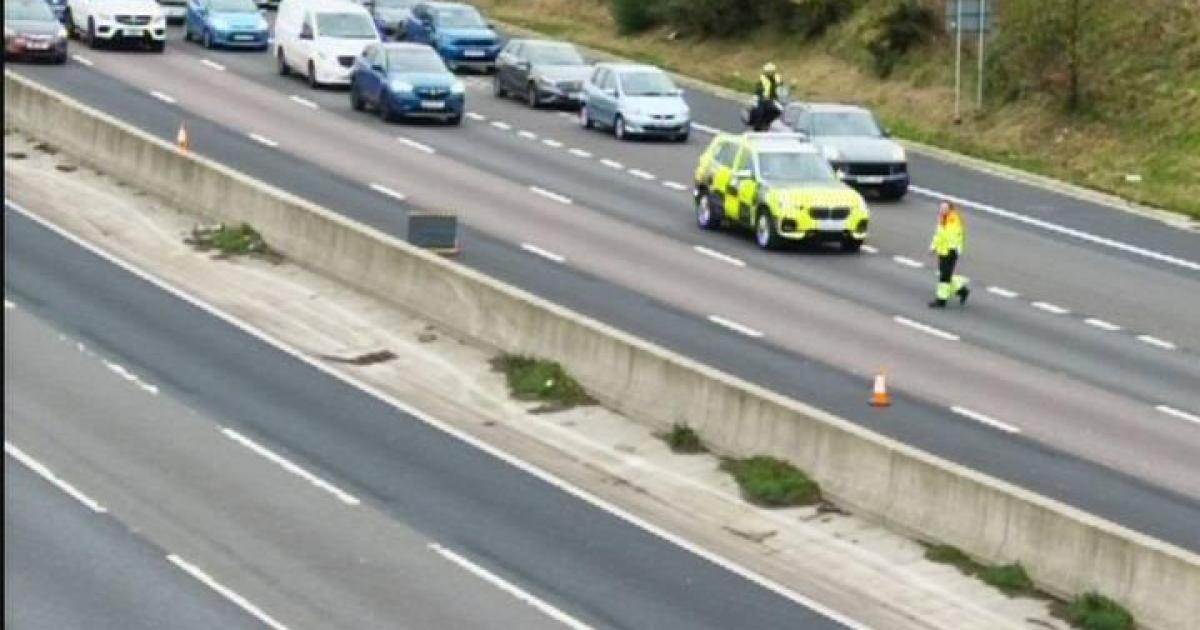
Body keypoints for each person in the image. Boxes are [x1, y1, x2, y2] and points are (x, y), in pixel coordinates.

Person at [928, 201, 970, 308]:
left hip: (951, 251)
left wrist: (952, 249)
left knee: (944, 277)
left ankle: (941, 300)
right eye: (941, 208)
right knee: (945, 274)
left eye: (944, 208)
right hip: (943, 251)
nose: (942, 210)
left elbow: (949, 236)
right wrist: (933, 247)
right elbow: (938, 234)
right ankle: (962, 290)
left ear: (950, 209)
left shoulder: (953, 220)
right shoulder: (942, 218)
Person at [751, 62, 783, 132]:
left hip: (774, 99)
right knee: (760, 112)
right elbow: (758, 89)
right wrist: (759, 95)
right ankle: (757, 127)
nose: (770, 73)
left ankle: (767, 122)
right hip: (764, 99)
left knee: (779, 110)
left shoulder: (777, 78)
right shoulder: (762, 79)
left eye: (771, 72)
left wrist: (785, 90)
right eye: (768, 72)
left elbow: (782, 86)